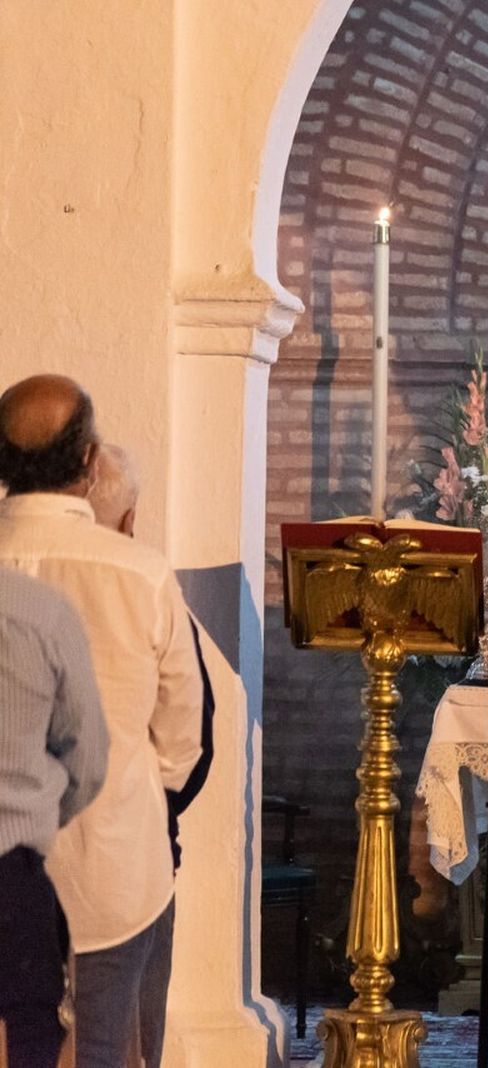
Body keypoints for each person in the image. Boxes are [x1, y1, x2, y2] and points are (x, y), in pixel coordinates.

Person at [0, 375, 204, 1068]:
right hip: (114, 852)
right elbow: (183, 739)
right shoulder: (140, 574)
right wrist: (137, 791)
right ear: (89, 465)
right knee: (105, 1048)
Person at [88, 443, 217, 1066]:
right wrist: (149, 803)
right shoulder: (144, 580)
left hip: (23, 850)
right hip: (131, 857)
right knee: (128, 1036)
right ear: (131, 517)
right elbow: (192, 736)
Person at [0, 568, 109, 1068]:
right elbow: (86, 754)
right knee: (31, 1021)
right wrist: (46, 820)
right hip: (12, 859)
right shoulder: (38, 608)